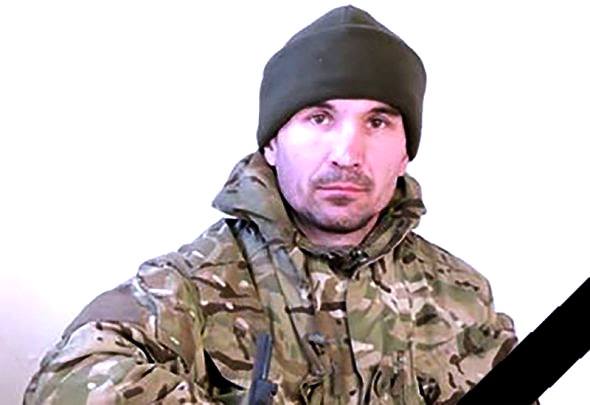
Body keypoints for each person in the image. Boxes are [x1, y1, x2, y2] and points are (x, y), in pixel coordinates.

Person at [24, 5, 521, 404]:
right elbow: (62, 384)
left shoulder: (463, 295)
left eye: (378, 122)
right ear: (272, 145)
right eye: (319, 118)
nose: (347, 154)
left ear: (405, 151)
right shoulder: (192, 286)